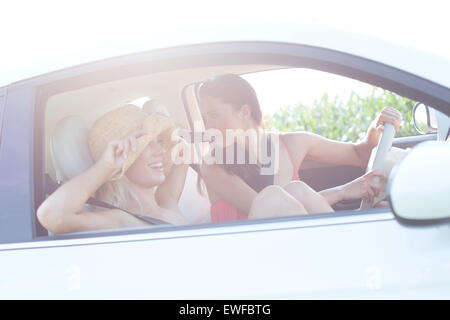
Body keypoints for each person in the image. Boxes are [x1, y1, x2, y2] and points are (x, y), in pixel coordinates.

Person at [197, 74, 402, 222]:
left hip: (296, 248)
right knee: (275, 195)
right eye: (205, 118)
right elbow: (270, 210)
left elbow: (358, 155)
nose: (208, 127)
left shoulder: (292, 143)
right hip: (251, 257)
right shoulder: (212, 164)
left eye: (214, 115)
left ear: (244, 112)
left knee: (297, 189)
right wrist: (343, 191)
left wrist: (373, 133)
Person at [37, 105, 190, 234]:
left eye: (160, 141)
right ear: (122, 157)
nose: (162, 151)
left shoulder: (167, 202)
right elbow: (52, 215)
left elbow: (186, 149)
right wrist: (105, 166)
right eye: (148, 144)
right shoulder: (121, 221)